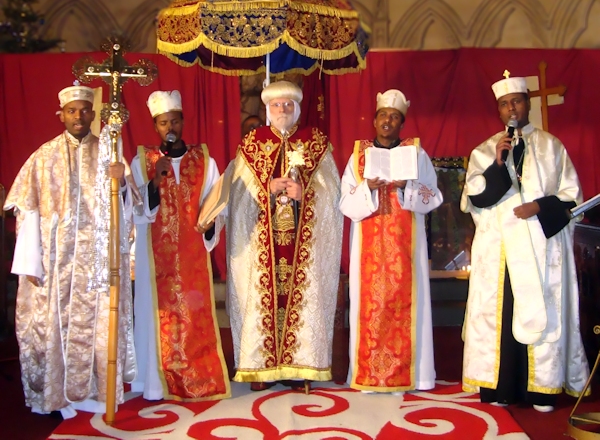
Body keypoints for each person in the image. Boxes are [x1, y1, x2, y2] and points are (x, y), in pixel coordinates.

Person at [460, 72, 590, 412]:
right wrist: (499, 165)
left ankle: (541, 390)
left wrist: (539, 206)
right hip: (499, 250)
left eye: (516, 101)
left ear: (527, 103)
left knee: (540, 309)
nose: (511, 108)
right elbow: (474, 198)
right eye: (504, 104)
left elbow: (571, 196)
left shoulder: (551, 146)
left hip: (539, 246)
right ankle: (499, 388)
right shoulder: (485, 150)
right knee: (499, 314)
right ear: (498, 111)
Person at [5, 85, 135, 418]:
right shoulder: (43, 156)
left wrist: (121, 183)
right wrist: (29, 262)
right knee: (54, 326)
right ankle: (57, 397)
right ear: (61, 115)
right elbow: (27, 210)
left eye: (84, 111)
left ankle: (96, 392)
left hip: (98, 264)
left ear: (93, 114)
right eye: (72, 111)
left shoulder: (110, 153)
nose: (79, 116)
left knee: (99, 325)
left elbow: (131, 209)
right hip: (56, 263)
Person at [216, 80, 343, 392]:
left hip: (303, 240)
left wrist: (307, 193)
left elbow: (333, 192)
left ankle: (300, 368)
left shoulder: (315, 142)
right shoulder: (252, 144)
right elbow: (236, 194)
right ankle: (260, 368)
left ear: (297, 107)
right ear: (267, 109)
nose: (282, 110)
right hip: (262, 240)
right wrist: (265, 190)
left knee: (303, 300)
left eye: (288, 105)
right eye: (277, 105)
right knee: (259, 297)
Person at [339, 89, 442, 394]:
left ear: (401, 123)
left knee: (407, 304)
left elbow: (433, 195)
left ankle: (413, 375)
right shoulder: (359, 155)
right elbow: (344, 202)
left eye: (394, 117)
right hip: (368, 249)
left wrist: (406, 186)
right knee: (368, 306)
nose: (388, 121)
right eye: (383, 115)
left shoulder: (417, 153)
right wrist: (367, 187)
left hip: (405, 247)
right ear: (374, 120)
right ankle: (369, 374)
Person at [130, 90, 230, 401]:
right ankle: (156, 381)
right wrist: (154, 183)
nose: (169, 127)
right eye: (163, 123)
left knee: (194, 311)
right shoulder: (142, 160)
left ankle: (197, 374)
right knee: (156, 315)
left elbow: (216, 202)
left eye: (174, 121)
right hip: (154, 255)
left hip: (192, 252)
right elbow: (136, 207)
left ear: (183, 121)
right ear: (155, 126)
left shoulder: (204, 159)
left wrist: (210, 221)